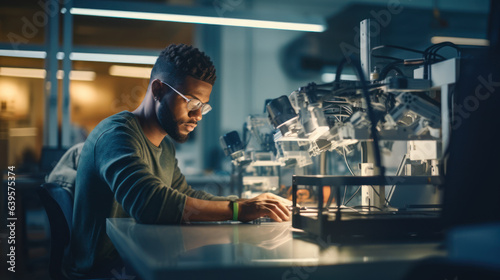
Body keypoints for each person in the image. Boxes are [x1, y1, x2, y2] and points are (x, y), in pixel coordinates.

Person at [67, 44, 291, 279]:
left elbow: (185, 194)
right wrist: (237, 210)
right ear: (159, 90)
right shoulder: (115, 135)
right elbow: (148, 204)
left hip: (137, 257)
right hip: (105, 270)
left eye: (203, 106)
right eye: (192, 103)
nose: (198, 116)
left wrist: (250, 204)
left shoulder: (164, 145)